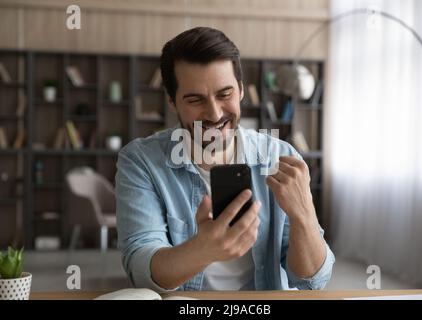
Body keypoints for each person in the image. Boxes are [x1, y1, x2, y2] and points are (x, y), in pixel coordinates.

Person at [116, 27, 335, 292]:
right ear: (172, 102)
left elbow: (312, 281)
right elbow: (141, 268)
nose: (214, 113)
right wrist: (203, 250)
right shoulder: (140, 161)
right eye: (195, 99)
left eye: (224, 94)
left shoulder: (281, 157)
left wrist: (304, 216)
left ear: (241, 90)